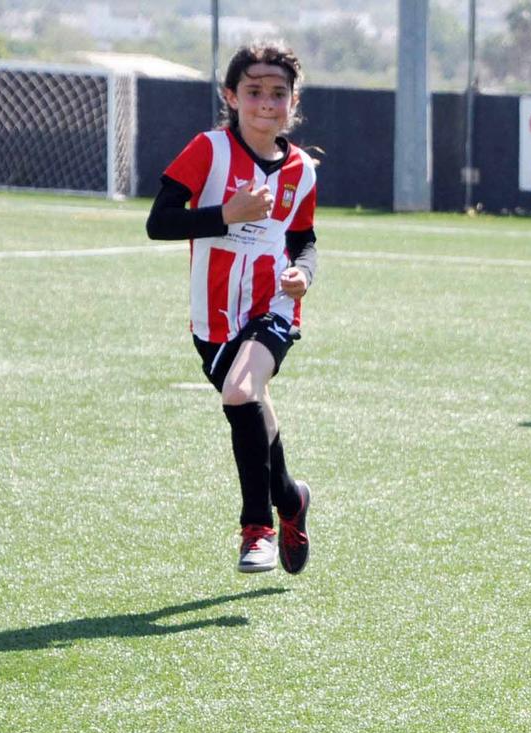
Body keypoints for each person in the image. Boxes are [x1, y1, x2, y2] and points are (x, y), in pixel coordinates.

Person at [146, 43, 318, 575]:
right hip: (212, 321)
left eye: (278, 93)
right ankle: (291, 500)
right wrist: (227, 213)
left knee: (242, 391)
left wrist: (303, 274)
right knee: (252, 407)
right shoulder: (209, 150)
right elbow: (160, 223)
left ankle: (258, 528)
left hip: (273, 309)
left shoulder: (302, 170)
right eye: (254, 92)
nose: (266, 103)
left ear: (293, 101)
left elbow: (305, 240)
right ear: (231, 96)